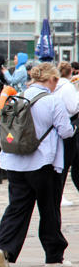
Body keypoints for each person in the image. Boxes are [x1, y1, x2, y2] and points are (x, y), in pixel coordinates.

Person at [0, 62, 75, 267]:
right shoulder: (53, 101)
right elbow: (65, 132)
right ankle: (54, 256)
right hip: (42, 163)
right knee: (49, 209)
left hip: (14, 162)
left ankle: (4, 248)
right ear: (52, 79)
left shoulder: (19, 97)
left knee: (17, 208)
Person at [53, 62, 79, 207]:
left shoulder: (56, 86)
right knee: (67, 162)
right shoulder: (67, 86)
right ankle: (59, 195)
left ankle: (58, 194)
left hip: (60, 127)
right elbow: (73, 108)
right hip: (69, 125)